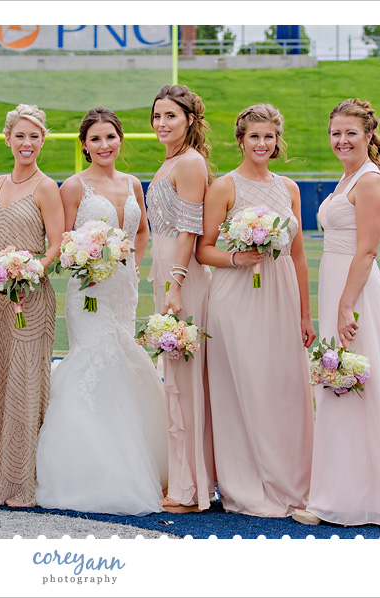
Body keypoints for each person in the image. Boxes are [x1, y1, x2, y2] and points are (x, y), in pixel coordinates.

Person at [35, 107, 168, 516]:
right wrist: (85, 264)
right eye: (95, 139)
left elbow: (141, 230)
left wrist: (130, 262)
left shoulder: (132, 184)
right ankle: (89, 466)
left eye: (110, 137)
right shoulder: (73, 187)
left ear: (120, 140)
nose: (104, 145)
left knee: (124, 357)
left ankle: (136, 455)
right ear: (85, 145)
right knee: (94, 358)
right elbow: (60, 241)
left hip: (122, 288)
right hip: (88, 290)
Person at [293, 99, 380, 527]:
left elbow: (367, 250)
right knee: (337, 383)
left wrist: (347, 304)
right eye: (335, 133)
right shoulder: (348, 176)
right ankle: (339, 494)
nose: (342, 140)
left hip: (355, 292)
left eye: (350, 132)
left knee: (355, 382)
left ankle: (355, 501)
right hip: (337, 286)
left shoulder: (368, 181)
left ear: (369, 135)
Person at [196, 104, 315, 517]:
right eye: (254, 137)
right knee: (245, 386)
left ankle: (293, 481)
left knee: (285, 387)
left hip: (281, 297)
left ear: (276, 140)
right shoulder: (224, 187)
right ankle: (246, 484)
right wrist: (237, 259)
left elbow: (298, 257)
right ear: (241, 140)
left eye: (269, 137)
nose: (262, 144)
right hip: (236, 298)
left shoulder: (290, 189)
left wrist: (305, 314)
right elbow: (203, 249)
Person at [0, 104, 64, 508]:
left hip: (31, 296)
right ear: (8, 138)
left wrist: (29, 270)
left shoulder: (47, 187)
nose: (27, 143)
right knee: (2, 379)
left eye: (35, 136)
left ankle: (23, 482)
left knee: (27, 383)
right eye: (20, 136)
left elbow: (57, 245)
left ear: (42, 141)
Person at [146, 84, 215, 513]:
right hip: (166, 271)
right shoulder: (171, 160)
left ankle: (189, 489)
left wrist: (174, 283)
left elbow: (190, 228)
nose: (161, 123)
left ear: (189, 119)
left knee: (184, 382)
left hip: (182, 277)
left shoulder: (190, 163)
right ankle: (188, 479)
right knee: (175, 379)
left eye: (170, 115)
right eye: (156, 116)